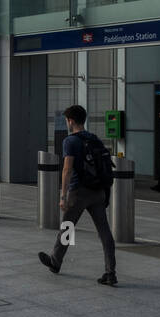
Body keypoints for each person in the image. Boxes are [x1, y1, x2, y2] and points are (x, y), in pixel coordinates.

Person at [39, 104, 117, 284]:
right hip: (98, 192)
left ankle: (55, 261)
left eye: (67, 120)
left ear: (71, 121)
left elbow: (67, 169)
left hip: (79, 192)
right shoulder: (94, 138)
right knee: (104, 232)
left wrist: (63, 195)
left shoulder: (70, 141)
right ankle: (110, 272)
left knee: (68, 228)